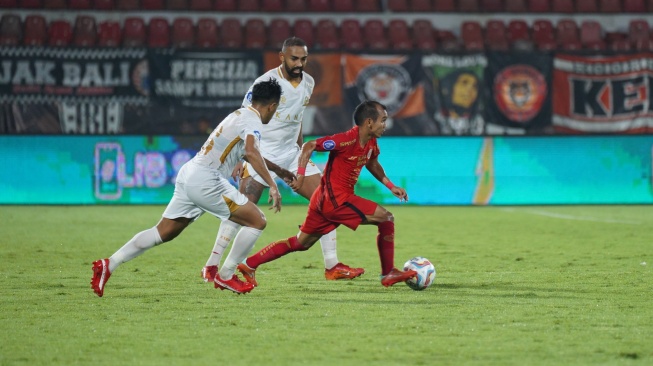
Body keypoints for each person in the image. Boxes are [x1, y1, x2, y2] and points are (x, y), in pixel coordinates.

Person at [90, 78, 286, 296]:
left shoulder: (238, 115)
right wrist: (272, 185)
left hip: (190, 173)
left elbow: (251, 154)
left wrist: (283, 173)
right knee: (257, 221)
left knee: (163, 232)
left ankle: (109, 264)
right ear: (272, 106)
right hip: (206, 179)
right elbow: (251, 151)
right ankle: (227, 275)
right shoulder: (253, 121)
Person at [200, 37, 364, 284]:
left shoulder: (308, 82)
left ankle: (333, 266)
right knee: (241, 213)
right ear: (282, 57)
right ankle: (212, 265)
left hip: (290, 154)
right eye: (294, 58)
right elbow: (244, 117)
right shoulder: (265, 82)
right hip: (261, 154)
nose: (299, 63)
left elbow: (297, 118)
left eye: (304, 59)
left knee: (328, 201)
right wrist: (239, 156)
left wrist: (300, 150)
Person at [235, 101, 417, 288]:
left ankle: (249, 264)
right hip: (337, 200)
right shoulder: (345, 140)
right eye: (383, 120)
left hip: (321, 200)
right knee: (386, 218)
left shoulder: (371, 142)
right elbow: (308, 146)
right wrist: (301, 175)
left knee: (299, 243)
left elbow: (371, 163)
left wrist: (390, 185)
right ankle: (388, 273)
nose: (385, 125)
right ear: (369, 122)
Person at [434, 69, 484, 135]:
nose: (470, 90)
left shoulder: (481, 122)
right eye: (464, 83)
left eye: (474, 86)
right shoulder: (432, 119)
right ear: (448, 88)